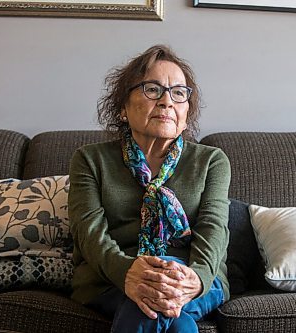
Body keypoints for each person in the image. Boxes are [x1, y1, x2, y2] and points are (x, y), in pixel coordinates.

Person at [68, 44, 231, 333]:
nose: (167, 102)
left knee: (152, 299)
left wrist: (196, 278)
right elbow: (89, 232)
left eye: (179, 93)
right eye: (153, 89)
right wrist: (129, 272)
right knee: (171, 318)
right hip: (110, 278)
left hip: (195, 276)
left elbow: (214, 228)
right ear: (122, 107)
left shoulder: (211, 161)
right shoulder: (90, 159)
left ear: (187, 111)